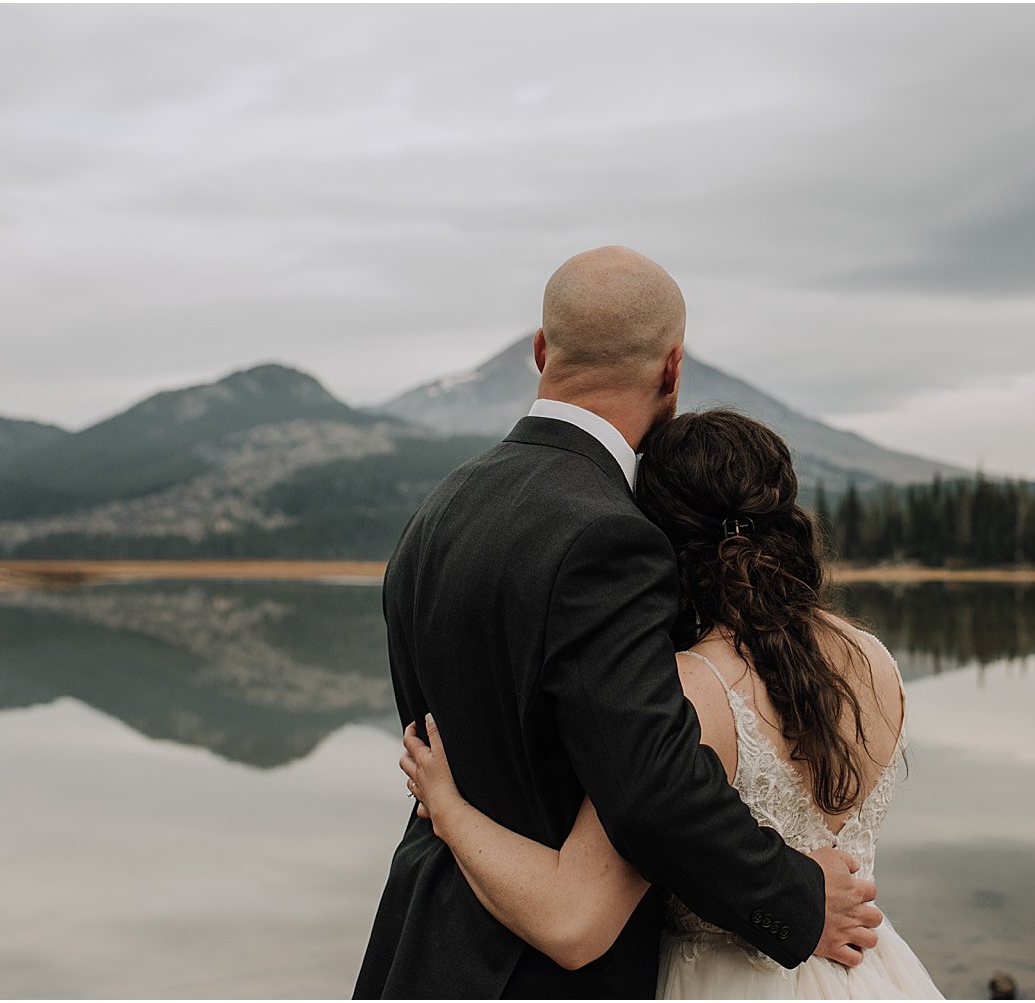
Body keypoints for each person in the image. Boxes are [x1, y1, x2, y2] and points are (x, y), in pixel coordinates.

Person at [352, 248, 882, 999]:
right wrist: (796, 898)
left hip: (420, 945)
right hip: (537, 972)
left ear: (541, 351)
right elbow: (651, 784)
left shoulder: (435, 513)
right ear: (673, 368)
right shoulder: (611, 534)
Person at [400, 408, 947, 999]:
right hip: (869, 974)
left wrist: (450, 811)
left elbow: (573, 922)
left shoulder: (687, 689)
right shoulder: (877, 661)